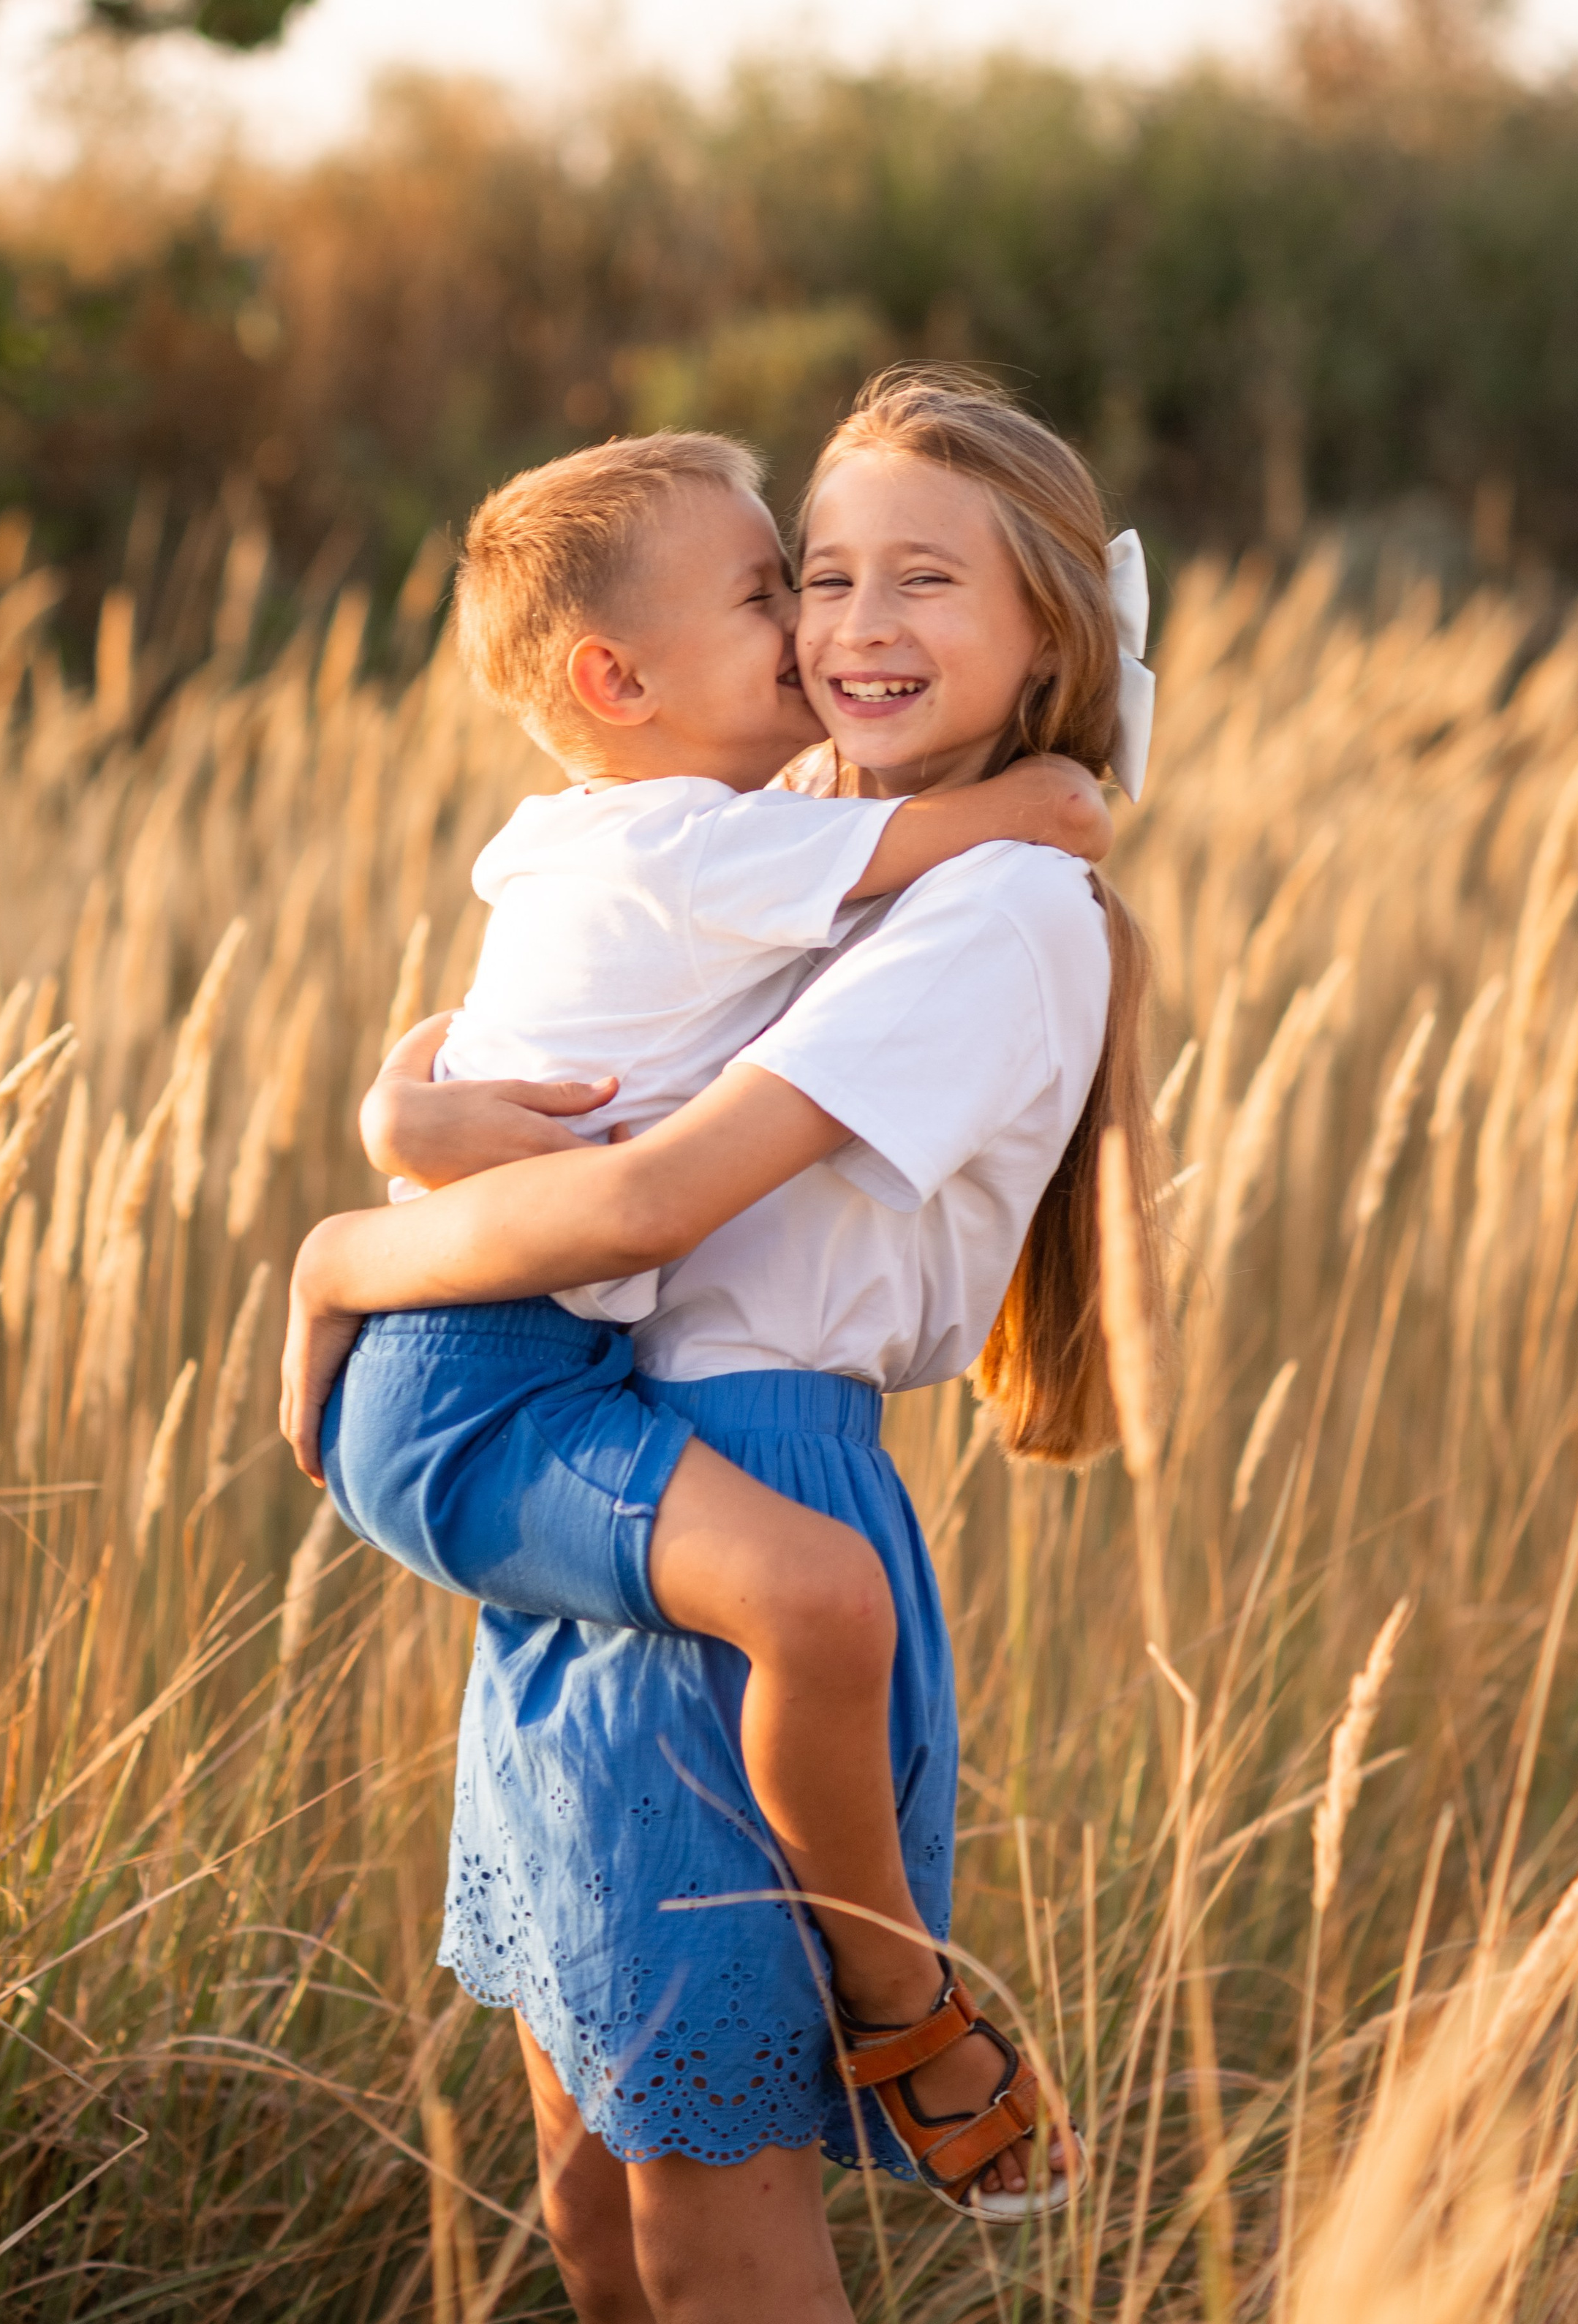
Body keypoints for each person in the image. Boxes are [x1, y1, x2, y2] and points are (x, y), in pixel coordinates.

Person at [282, 368, 1163, 2323]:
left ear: (1050, 625)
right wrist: (395, 1147)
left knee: (701, 2243)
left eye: (912, 581)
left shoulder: (1000, 902)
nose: (844, 628)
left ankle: (905, 2010)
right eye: (810, 580)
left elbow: (650, 1199)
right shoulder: (774, 849)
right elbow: (522, 1063)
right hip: (599, 1481)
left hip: (724, 1495)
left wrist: (354, 1244)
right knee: (592, 2213)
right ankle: (898, 2013)